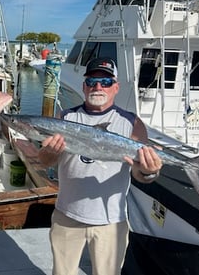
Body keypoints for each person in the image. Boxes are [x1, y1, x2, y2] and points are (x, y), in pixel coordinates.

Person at [38, 57, 163, 275]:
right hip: (67, 215)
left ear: (116, 87)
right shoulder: (66, 117)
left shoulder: (131, 123)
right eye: (92, 82)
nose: (98, 87)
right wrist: (48, 154)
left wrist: (149, 171)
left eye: (105, 82)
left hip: (110, 221)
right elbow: (47, 162)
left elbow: (139, 173)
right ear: (84, 86)